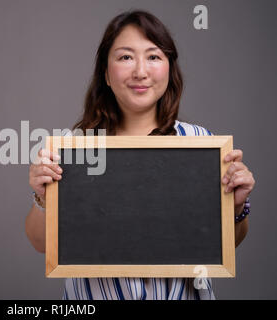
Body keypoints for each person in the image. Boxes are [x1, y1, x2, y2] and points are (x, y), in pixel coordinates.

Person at [25, 10, 255, 300]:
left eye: (153, 56)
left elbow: (223, 246)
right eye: (125, 57)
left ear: (170, 68)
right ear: (106, 73)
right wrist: (42, 196)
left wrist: (235, 206)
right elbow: (42, 244)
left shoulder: (201, 143)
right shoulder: (77, 148)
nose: (140, 72)